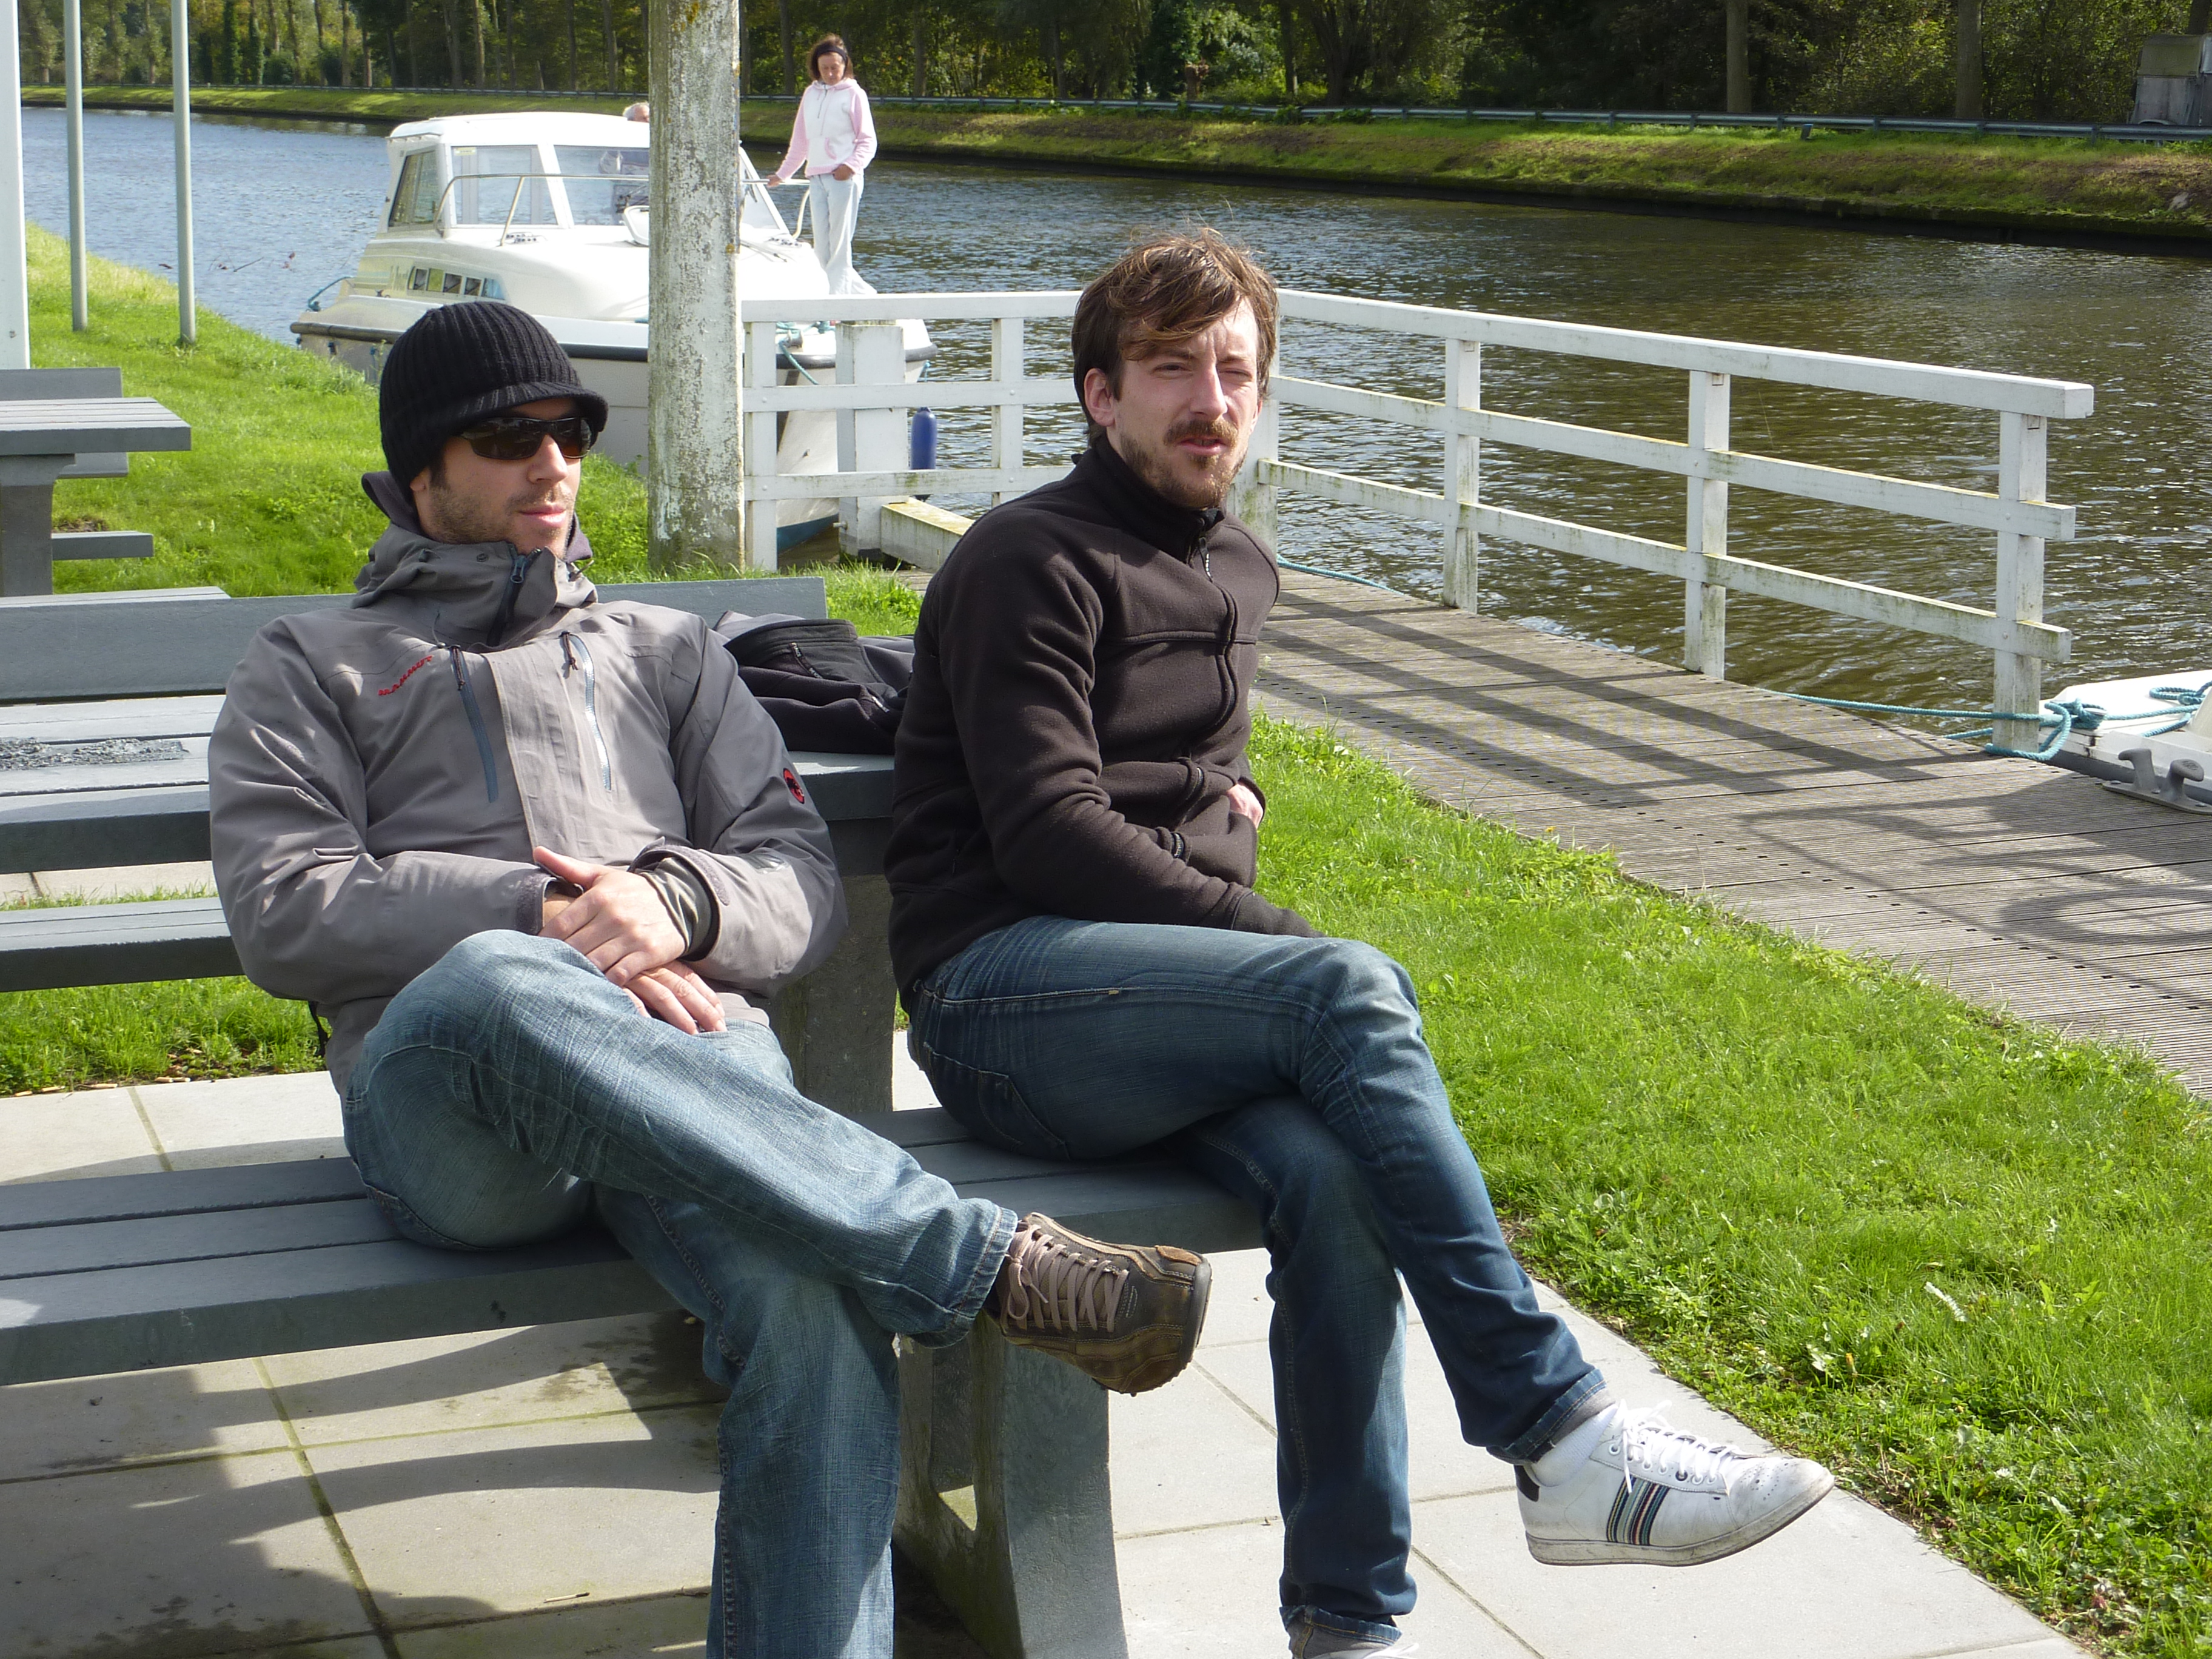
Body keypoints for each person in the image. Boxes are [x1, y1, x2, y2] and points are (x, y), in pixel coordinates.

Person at [207, 298, 1212, 1659]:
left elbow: (795, 875)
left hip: (692, 1101)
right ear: (419, 469)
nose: (553, 464)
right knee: (503, 974)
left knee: (814, 1305)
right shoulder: (310, 666)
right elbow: (283, 910)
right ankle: (975, 1262)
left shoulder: (665, 653)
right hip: (458, 1120)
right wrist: (543, 914)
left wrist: (676, 900)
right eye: (509, 438)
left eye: (571, 433)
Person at [886, 232, 1837, 1659]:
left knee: (1336, 1184)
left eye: (1236, 370)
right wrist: (1269, 930)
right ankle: (1560, 1432)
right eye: (1170, 368)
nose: (1211, 400)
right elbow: (1047, 831)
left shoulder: (1239, 567)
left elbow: (1192, 793)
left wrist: (1225, 824)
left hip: (1147, 1009)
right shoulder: (1031, 558)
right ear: (1099, 393)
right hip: (998, 998)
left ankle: (1347, 1618)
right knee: (1346, 986)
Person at [766, 34, 877, 295]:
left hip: (843, 178)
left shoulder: (855, 94)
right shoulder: (810, 94)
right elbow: (800, 142)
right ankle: (863, 296)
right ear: (816, 68)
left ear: (845, 66)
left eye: (835, 68)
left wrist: (850, 167)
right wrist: (782, 174)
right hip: (816, 177)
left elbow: (868, 141)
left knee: (839, 245)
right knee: (822, 247)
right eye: (824, 68)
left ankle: (835, 301)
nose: (830, 73)